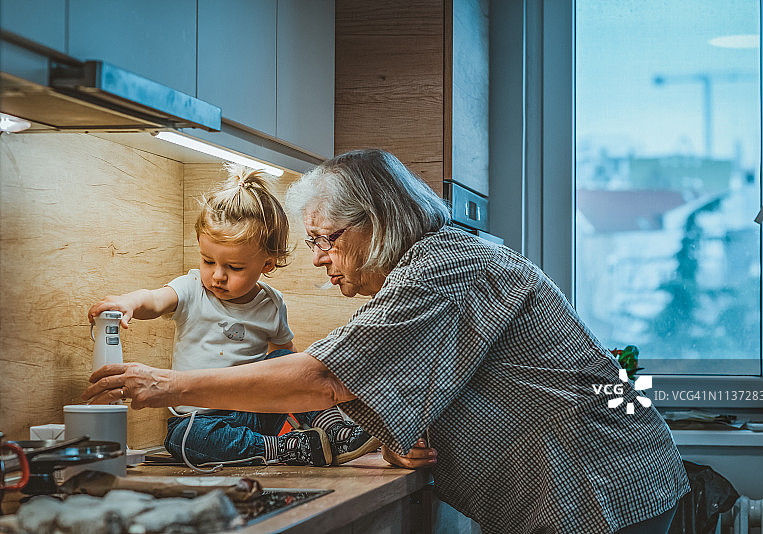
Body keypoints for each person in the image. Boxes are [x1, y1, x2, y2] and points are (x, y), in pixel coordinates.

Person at [83, 150, 689, 534]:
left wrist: (169, 385)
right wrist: (392, 438)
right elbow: (409, 383)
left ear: (377, 221)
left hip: (601, 486)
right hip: (597, 482)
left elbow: (327, 377)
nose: (317, 259)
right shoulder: (434, 266)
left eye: (325, 239)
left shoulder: (447, 268)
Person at [87, 165, 378, 469]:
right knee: (182, 438)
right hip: (200, 418)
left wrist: (302, 396)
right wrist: (128, 302)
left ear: (268, 264)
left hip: (253, 411)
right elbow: (156, 300)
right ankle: (286, 448)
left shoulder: (271, 303)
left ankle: (336, 430)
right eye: (207, 260)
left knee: (282, 359)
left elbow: (289, 365)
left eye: (234, 268)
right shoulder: (192, 289)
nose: (217, 276)